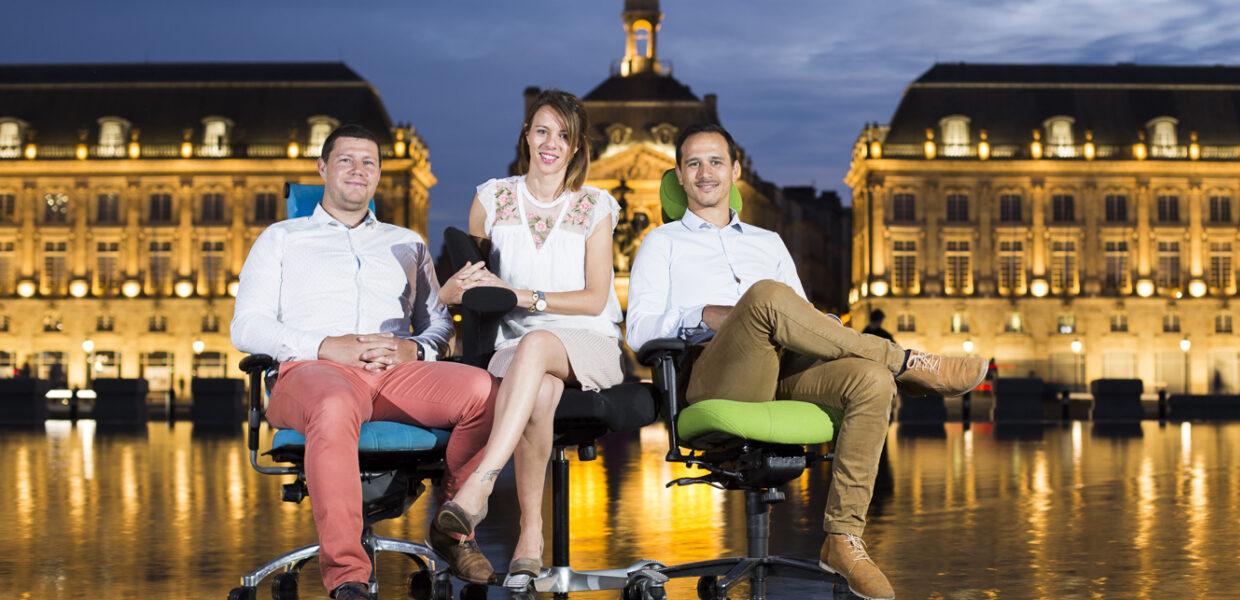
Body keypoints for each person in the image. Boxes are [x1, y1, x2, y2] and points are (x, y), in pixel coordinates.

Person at [625, 123, 989, 600]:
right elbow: (638, 332)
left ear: (735, 170)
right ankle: (910, 363)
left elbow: (800, 319)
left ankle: (842, 538)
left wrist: (821, 324)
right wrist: (704, 314)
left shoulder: (768, 241)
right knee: (765, 295)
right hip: (710, 372)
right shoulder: (662, 242)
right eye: (693, 163)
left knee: (870, 380)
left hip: (781, 367)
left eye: (716, 161)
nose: (705, 172)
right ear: (679, 174)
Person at [230, 124, 498, 599]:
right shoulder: (281, 238)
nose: (359, 170)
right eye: (347, 160)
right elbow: (246, 327)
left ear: (378, 175)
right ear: (323, 168)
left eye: (369, 162)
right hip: (311, 373)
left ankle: (453, 532)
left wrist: (413, 349)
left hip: (395, 374)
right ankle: (348, 576)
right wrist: (324, 346)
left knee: (485, 391)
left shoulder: (407, 242)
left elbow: (439, 326)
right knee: (333, 405)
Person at [435, 89, 624, 581]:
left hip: (588, 340)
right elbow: (468, 290)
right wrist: (452, 290)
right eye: (542, 130)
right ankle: (530, 534)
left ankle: (479, 485)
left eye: (564, 136)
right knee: (538, 386)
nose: (551, 143)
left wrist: (524, 297)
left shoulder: (595, 206)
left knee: (539, 345)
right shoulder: (491, 197)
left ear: (578, 148)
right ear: (526, 134)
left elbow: (595, 298)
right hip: (511, 348)